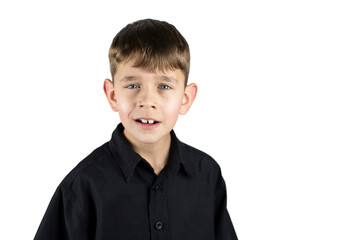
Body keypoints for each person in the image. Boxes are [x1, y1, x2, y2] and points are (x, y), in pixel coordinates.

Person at [34, 18, 238, 240]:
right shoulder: (83, 185)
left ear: (186, 99)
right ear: (112, 95)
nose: (147, 100)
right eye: (133, 85)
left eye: (164, 86)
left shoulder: (207, 175)